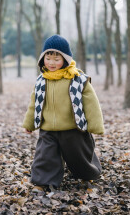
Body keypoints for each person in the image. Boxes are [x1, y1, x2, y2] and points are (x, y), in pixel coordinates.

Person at [22, 34, 104, 188]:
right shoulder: (41, 80)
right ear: (42, 58)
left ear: (65, 59)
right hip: (48, 130)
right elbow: (34, 103)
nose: (51, 62)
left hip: (72, 128)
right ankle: (43, 182)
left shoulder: (77, 79)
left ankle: (88, 173)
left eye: (56, 59)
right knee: (44, 157)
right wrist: (30, 123)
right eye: (48, 58)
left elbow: (91, 103)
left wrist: (96, 125)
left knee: (79, 157)